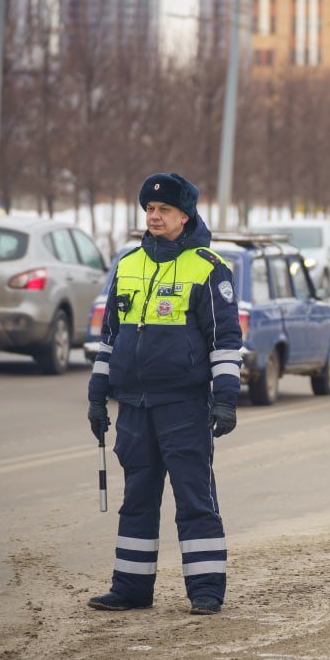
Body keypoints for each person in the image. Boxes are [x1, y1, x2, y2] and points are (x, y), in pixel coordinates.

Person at [86, 173, 243, 615]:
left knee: (195, 499)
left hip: (183, 405)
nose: (155, 217)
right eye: (150, 210)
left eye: (164, 211)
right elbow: (109, 339)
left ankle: (207, 590)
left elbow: (225, 340)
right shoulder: (129, 265)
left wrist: (225, 397)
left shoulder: (209, 267)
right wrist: (98, 395)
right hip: (134, 406)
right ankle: (132, 588)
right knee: (136, 499)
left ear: (185, 216)